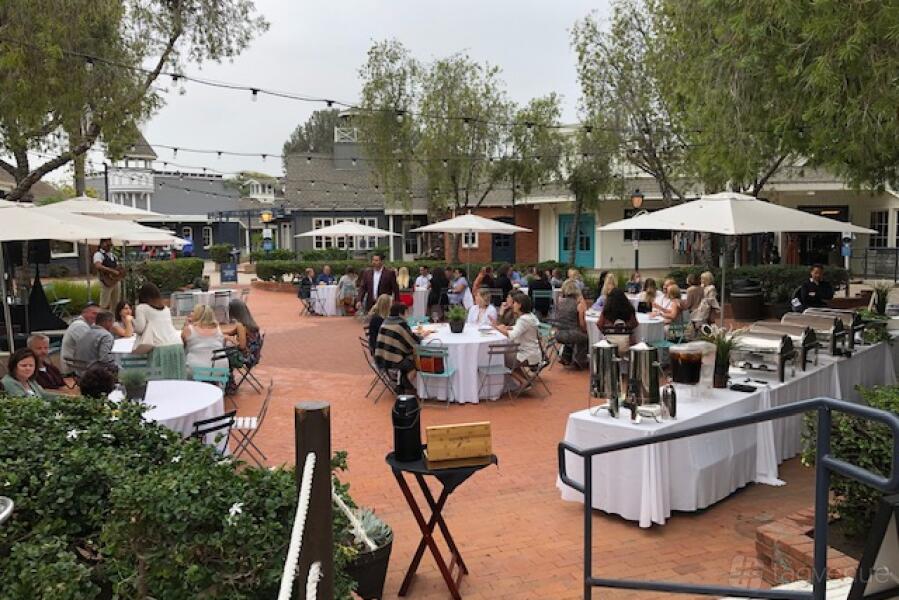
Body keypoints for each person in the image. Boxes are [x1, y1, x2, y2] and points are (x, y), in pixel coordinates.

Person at [133, 283, 186, 380]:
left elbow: (140, 328)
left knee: (158, 382)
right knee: (176, 381)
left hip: (160, 347)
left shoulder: (141, 308)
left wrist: (130, 321)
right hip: (177, 345)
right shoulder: (166, 308)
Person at [493, 293, 542, 386]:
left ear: (520, 305)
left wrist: (498, 328)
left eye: (515, 303)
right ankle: (526, 380)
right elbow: (518, 328)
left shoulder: (523, 319)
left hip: (527, 354)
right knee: (508, 357)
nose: (513, 305)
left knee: (501, 358)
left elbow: (512, 336)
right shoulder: (530, 316)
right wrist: (507, 327)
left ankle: (523, 381)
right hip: (534, 352)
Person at [374, 302, 422, 391]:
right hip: (392, 360)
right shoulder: (400, 324)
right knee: (416, 363)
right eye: (407, 312)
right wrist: (422, 337)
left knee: (406, 358)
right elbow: (413, 342)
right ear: (401, 313)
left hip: (380, 358)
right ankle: (404, 382)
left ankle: (400, 387)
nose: (408, 315)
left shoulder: (386, 321)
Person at [182, 305, 228, 374]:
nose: (190, 313)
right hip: (221, 369)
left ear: (198, 315)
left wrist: (186, 325)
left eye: (193, 311)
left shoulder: (189, 329)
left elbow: (182, 347)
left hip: (196, 370)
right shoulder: (218, 329)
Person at [554, 279, 589, 369]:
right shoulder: (579, 303)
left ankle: (566, 356)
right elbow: (582, 324)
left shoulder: (560, 302)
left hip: (558, 334)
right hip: (571, 334)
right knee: (586, 338)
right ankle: (580, 360)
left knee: (572, 333)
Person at [73, 310, 116, 375]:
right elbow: (104, 358)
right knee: (119, 367)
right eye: (112, 322)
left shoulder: (86, 332)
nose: (113, 325)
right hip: (92, 373)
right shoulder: (106, 335)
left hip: (79, 372)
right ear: (108, 322)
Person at [60, 303, 100, 374]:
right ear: (84, 313)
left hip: (83, 361)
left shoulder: (90, 324)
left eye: (98, 314)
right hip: (73, 366)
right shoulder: (79, 326)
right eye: (94, 313)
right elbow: (92, 346)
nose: (96, 316)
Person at [225, 299, 262, 368]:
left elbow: (242, 346)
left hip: (247, 357)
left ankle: (228, 375)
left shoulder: (240, 325)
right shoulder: (249, 324)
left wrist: (232, 341)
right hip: (255, 356)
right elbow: (231, 332)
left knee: (223, 354)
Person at [93, 238, 124, 310]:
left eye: (110, 245)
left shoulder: (112, 255)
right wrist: (112, 271)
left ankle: (113, 318)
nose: (109, 246)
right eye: (108, 244)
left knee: (116, 303)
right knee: (104, 303)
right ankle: (101, 318)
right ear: (102, 244)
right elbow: (98, 266)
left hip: (115, 281)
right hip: (106, 282)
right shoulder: (98, 254)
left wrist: (120, 270)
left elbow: (117, 267)